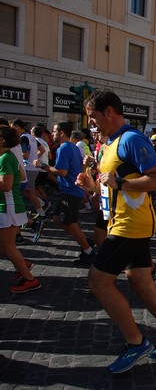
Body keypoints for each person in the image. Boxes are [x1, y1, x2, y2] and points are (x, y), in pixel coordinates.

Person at [78, 89, 156, 373]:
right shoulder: (112, 142)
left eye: (93, 117)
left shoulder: (131, 139)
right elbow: (113, 183)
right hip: (121, 221)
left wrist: (122, 185)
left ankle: (136, 342)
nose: (91, 124)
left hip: (130, 225)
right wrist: (93, 188)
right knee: (141, 280)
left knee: (98, 282)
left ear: (110, 113)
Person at [32, 121, 95, 266]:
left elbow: (62, 171)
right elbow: (80, 165)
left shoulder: (64, 148)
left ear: (61, 133)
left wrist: (43, 166)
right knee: (57, 219)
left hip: (71, 191)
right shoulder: (72, 146)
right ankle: (86, 242)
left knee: (70, 222)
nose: (52, 134)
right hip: (70, 190)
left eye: (54, 132)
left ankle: (88, 251)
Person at [0, 124, 41, 293]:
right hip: (8, 206)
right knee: (4, 245)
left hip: (9, 206)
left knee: (8, 246)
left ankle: (30, 279)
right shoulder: (6, 157)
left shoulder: (5, 158)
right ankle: (22, 265)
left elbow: (6, 185)